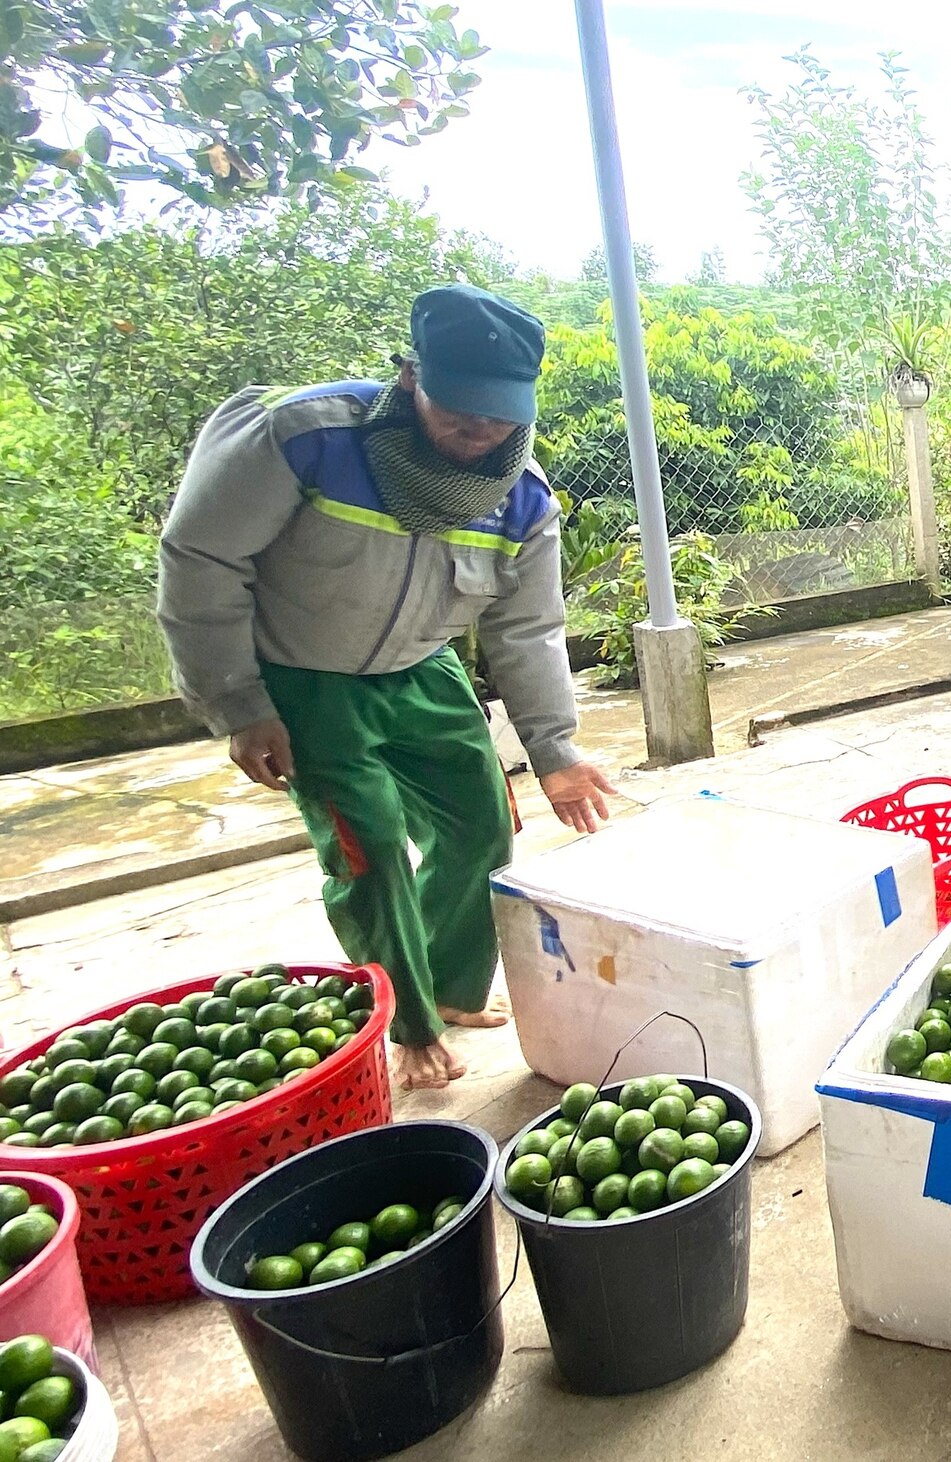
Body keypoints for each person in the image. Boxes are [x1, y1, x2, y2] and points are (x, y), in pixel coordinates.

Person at [157, 284, 618, 1090]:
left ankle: (445, 986)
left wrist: (554, 749)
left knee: (480, 824)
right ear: (410, 379)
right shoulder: (306, 439)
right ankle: (405, 1024)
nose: (479, 434)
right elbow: (202, 558)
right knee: (368, 846)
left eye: (499, 417)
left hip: (422, 667)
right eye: (458, 412)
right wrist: (238, 703)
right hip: (307, 676)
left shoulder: (523, 499)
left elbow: (526, 629)